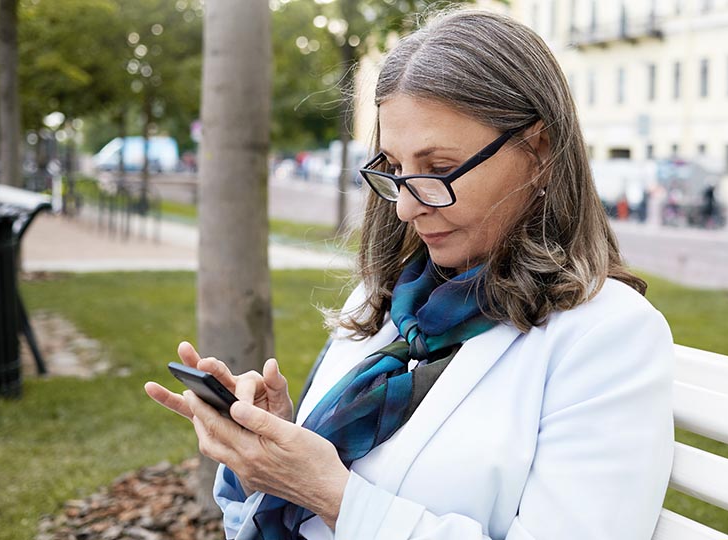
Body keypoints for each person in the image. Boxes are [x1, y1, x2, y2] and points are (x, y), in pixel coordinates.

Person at [145, 9, 673, 540]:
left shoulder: (609, 336)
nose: (403, 208)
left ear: (538, 151)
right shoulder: (389, 301)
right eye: (394, 170)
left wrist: (329, 494)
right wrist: (276, 444)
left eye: (439, 169)